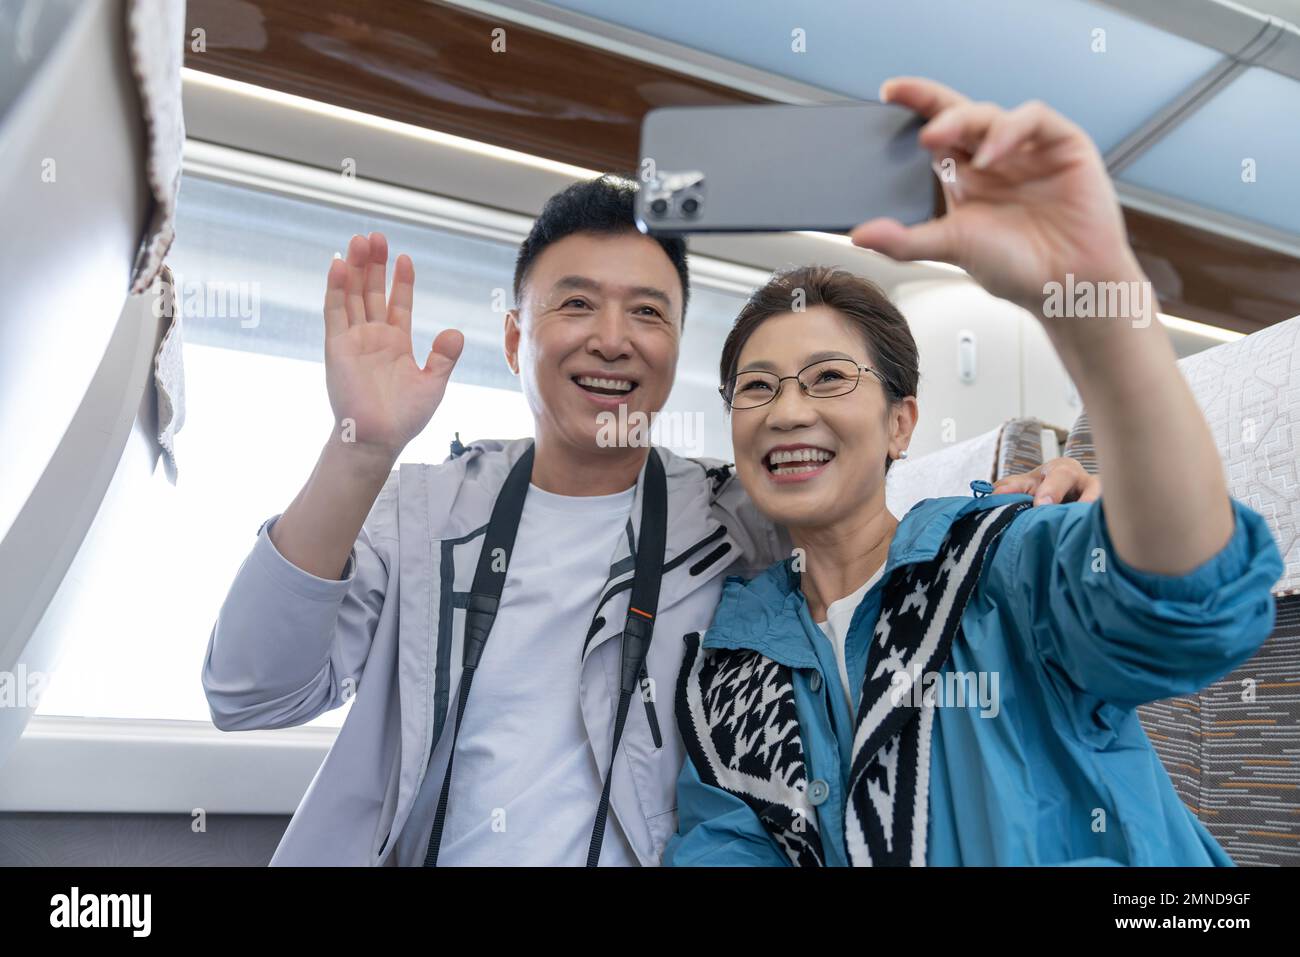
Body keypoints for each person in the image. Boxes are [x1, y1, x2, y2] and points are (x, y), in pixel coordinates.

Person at [202, 143, 1094, 867]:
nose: (612, 338)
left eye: (648, 313)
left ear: (673, 348)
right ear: (517, 336)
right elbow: (249, 692)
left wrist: (1021, 500)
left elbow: (865, 520)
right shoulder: (426, 510)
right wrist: (360, 447)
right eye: (576, 303)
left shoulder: (736, 519)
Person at [664, 77, 1283, 866]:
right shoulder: (733, 652)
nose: (787, 412)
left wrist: (1097, 303)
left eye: (828, 377)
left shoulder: (1001, 560)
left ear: (901, 422)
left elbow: (1184, 602)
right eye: (757, 387)